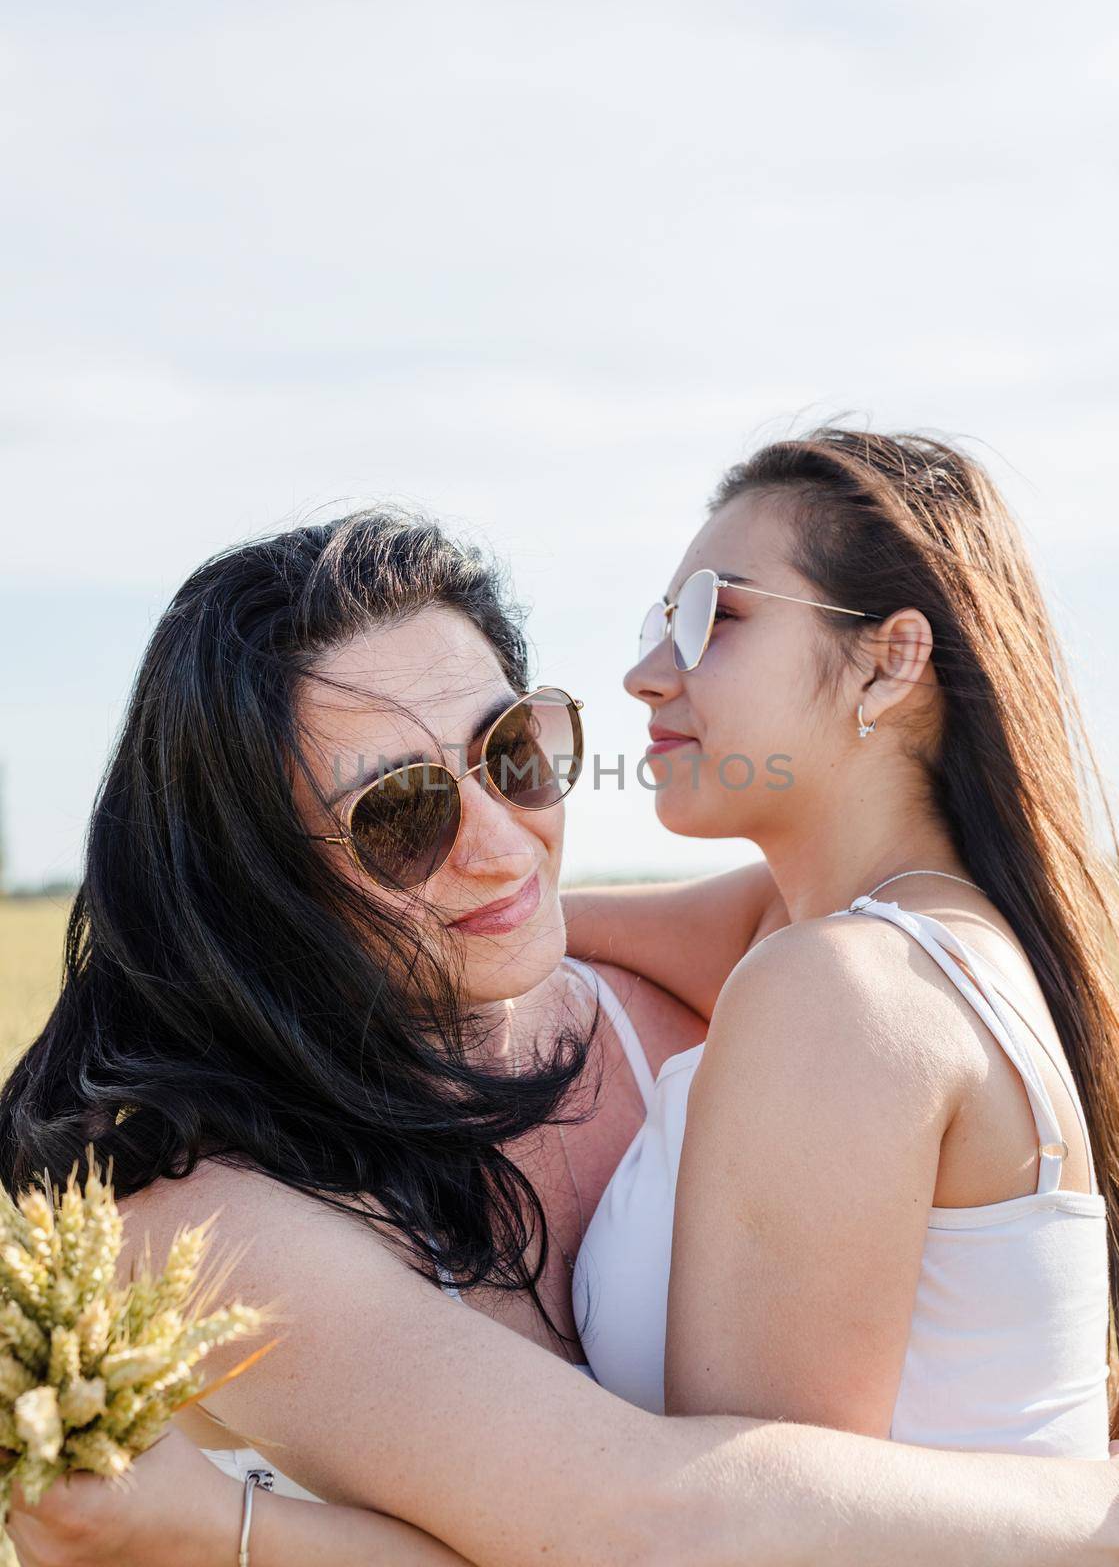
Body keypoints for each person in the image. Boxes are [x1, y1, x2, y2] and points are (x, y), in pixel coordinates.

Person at [3, 503, 1118, 1567]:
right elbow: (630, 1529)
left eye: (513, 749)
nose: (505, 845)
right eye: (399, 815)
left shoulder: (703, 1006)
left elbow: (851, 872)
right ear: (252, 882)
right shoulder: (203, 1216)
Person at [570, 428, 1116, 1458]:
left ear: (887, 662)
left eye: (710, 618)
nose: (645, 673)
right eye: (659, 622)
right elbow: (565, 925)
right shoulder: (854, 933)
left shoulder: (843, 988)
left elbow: (742, 1530)